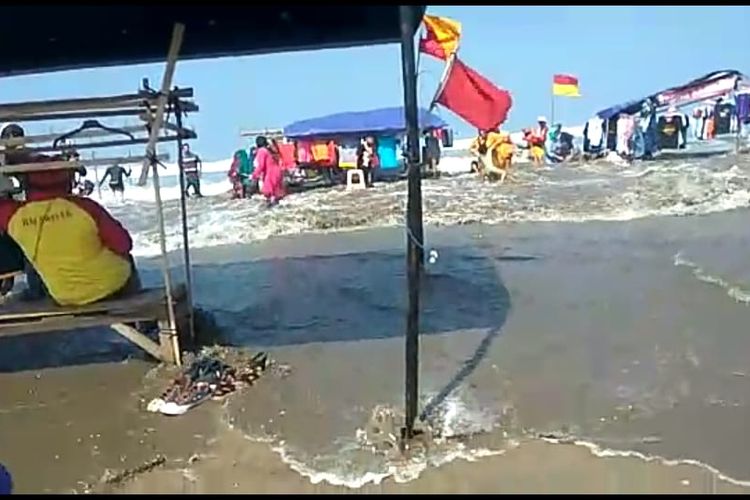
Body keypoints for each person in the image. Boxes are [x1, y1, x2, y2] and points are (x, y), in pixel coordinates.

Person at [0, 168, 141, 306]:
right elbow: (124, 244)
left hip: (63, 296)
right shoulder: (84, 206)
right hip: (109, 287)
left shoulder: (13, 215)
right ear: (66, 181)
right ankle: (143, 321)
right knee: (127, 258)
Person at [252, 136, 285, 206]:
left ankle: (272, 207)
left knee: (269, 193)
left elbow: (261, 165)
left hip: (270, 173)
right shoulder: (269, 150)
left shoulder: (262, 151)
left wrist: (254, 175)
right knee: (276, 193)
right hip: (277, 172)